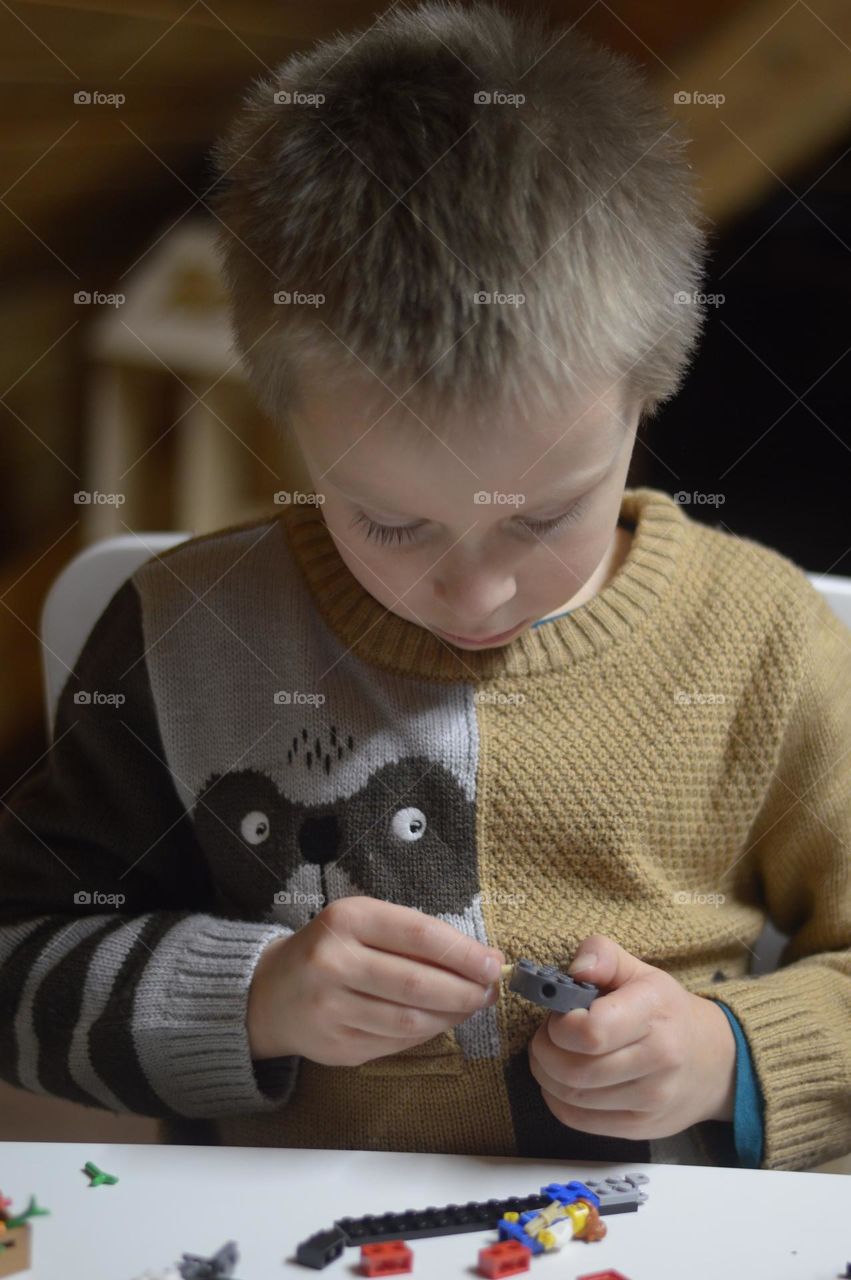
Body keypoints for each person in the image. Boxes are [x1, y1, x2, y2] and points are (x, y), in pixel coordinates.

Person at [1, 1, 849, 1172]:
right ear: (287, 422)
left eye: (545, 515)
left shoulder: (763, 641)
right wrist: (255, 996)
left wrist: (726, 1052)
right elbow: (21, 960)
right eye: (391, 520)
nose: (477, 590)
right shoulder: (182, 632)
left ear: (643, 394)